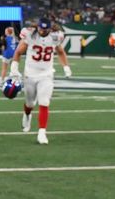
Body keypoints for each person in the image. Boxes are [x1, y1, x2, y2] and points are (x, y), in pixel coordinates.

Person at [9, 17, 71, 145]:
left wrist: (66, 67)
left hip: (46, 74)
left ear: (49, 28)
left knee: (44, 102)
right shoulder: (30, 34)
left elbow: (60, 52)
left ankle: (42, 132)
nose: (42, 31)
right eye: (41, 28)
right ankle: (27, 115)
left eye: (45, 29)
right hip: (30, 74)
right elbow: (18, 52)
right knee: (30, 103)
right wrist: (14, 68)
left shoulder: (56, 36)